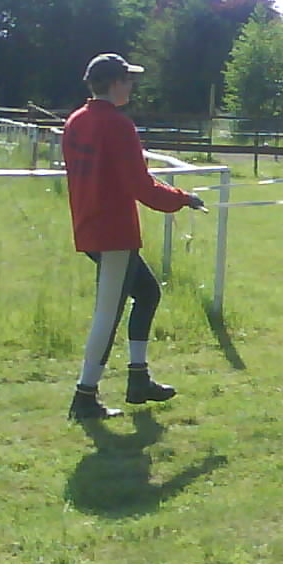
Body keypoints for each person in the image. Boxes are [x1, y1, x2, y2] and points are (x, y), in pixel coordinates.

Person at [62, 52, 207, 422]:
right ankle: (85, 395)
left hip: (92, 225)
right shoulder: (117, 125)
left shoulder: (77, 120)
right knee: (107, 314)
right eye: (128, 80)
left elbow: (126, 177)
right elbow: (141, 186)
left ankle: (138, 378)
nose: (131, 86)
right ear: (114, 83)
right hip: (111, 230)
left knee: (147, 292)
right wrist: (184, 199)